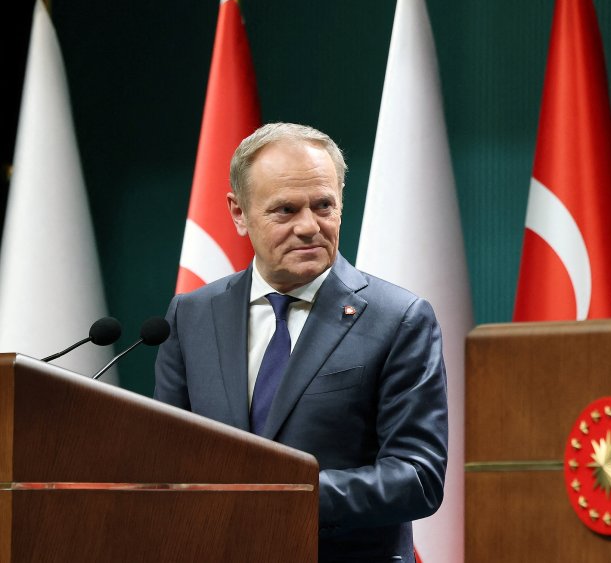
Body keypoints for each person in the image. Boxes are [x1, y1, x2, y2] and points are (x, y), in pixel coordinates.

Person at [155, 122, 448, 562]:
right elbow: (166, 456)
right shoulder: (192, 315)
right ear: (238, 213)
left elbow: (418, 476)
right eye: (286, 210)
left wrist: (288, 495)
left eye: (323, 206)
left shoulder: (398, 319)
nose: (310, 227)